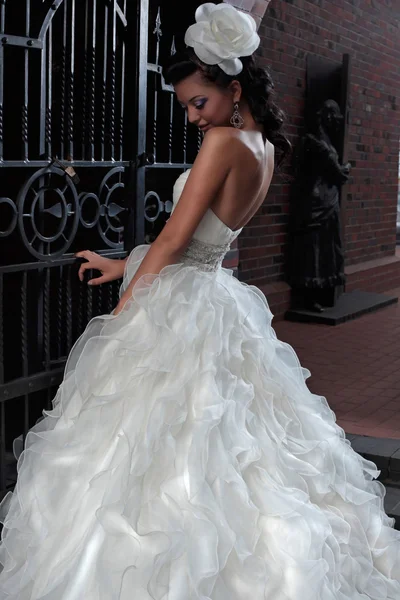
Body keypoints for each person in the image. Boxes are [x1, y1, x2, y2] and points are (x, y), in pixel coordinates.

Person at [0, 3, 399, 599]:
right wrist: (120, 263)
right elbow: (206, 241)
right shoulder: (262, 146)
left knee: (162, 446)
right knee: (228, 438)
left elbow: (175, 239)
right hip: (211, 293)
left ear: (233, 88)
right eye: (186, 106)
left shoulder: (222, 144)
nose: (191, 117)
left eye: (198, 103)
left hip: (181, 300)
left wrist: (126, 305)